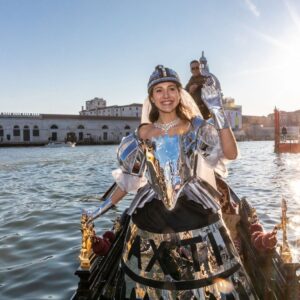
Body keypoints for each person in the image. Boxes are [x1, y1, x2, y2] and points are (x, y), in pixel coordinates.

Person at [86, 65, 257, 299]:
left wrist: (217, 110)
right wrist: (99, 209)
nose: (166, 95)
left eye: (171, 89)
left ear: (179, 93)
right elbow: (128, 181)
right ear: (151, 98)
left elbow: (231, 153)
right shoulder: (142, 135)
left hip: (195, 209)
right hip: (151, 215)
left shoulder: (196, 126)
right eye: (159, 90)